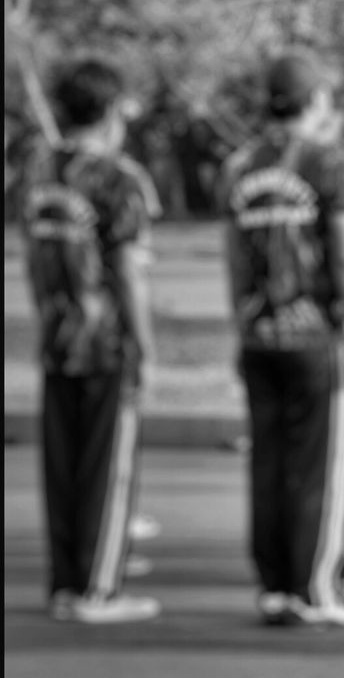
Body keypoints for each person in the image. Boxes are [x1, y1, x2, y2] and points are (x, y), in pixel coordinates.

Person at [220, 52, 344, 628]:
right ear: (315, 102)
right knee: (320, 464)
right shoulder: (329, 163)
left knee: (269, 461)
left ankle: (274, 586)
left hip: (259, 334)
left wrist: (240, 319)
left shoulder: (240, 167)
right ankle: (315, 590)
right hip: (316, 335)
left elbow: (234, 256)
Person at [20, 58, 161, 624]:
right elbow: (128, 271)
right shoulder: (118, 179)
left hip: (56, 335)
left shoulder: (41, 173)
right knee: (106, 466)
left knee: (63, 467)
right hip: (104, 341)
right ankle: (98, 590)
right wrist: (146, 347)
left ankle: (65, 581)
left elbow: (33, 257)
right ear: (109, 110)